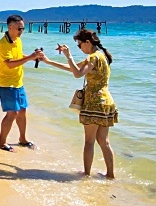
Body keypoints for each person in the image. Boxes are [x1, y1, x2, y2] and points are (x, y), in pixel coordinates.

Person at [36, 28, 118, 178]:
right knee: (103, 141)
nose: (79, 48)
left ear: (88, 42)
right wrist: (48, 61)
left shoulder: (93, 57)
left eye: (79, 45)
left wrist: (68, 55)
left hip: (94, 102)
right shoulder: (102, 55)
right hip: (107, 101)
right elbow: (73, 68)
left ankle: (86, 174)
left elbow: (77, 74)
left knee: (89, 141)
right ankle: (110, 175)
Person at [0, 14, 38, 151]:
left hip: (18, 82)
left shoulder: (17, 40)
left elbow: (19, 57)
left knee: (22, 111)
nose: (21, 31)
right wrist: (30, 57)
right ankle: (1, 142)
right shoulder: (3, 43)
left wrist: (33, 57)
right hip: (6, 83)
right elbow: (10, 64)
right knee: (12, 113)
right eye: (19, 28)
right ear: (10, 27)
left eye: (23, 28)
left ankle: (23, 139)